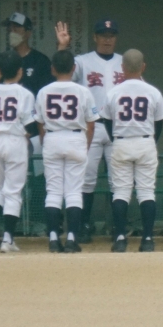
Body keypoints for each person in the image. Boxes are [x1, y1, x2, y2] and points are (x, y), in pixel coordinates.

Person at [55, 18, 124, 243]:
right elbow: (62, 73)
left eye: (111, 35)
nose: (107, 39)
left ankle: (118, 227)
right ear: (95, 37)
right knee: (86, 178)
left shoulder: (124, 62)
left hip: (117, 126)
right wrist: (62, 47)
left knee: (118, 180)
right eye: (103, 35)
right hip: (91, 126)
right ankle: (83, 225)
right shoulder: (83, 61)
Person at [100, 49, 163, 253]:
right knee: (146, 192)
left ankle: (120, 238)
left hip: (121, 142)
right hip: (145, 141)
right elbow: (160, 123)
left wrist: (117, 139)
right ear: (143, 67)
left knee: (121, 192)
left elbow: (107, 121)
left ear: (122, 68)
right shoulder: (153, 91)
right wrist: (151, 140)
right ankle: (147, 239)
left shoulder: (113, 92)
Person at [34, 50, 99, 254]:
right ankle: (71, 238)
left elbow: (40, 123)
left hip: (52, 137)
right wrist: (86, 145)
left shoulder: (43, 91)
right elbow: (91, 125)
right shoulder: (83, 91)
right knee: (73, 192)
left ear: (52, 69)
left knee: (53, 192)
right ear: (73, 68)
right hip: (76, 138)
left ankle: (54, 238)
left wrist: (45, 141)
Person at [0, 51, 39, 253]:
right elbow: (31, 126)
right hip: (14, 141)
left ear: (0, 71)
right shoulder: (25, 94)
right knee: (13, 192)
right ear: (20, 71)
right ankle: (8, 239)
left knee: (0, 190)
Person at [2, 12, 55, 179]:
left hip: (35, 132)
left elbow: (48, 98)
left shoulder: (41, 61)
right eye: (10, 28)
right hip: (7, 132)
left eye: (17, 28)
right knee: (8, 180)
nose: (12, 31)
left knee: (37, 179)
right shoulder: (3, 61)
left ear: (28, 32)